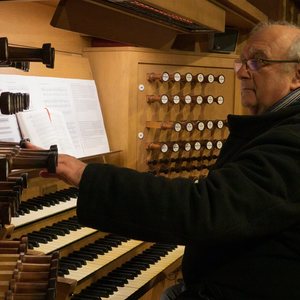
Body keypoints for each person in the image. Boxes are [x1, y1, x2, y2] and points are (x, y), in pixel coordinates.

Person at [28, 20, 300, 299]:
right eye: (241, 62)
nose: (241, 73)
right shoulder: (277, 126)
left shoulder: (292, 140)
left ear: (297, 75)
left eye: (257, 62)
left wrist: (85, 175)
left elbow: (204, 209)